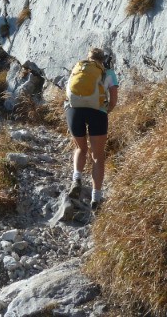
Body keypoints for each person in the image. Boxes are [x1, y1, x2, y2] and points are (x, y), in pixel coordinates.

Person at [65, 47, 119, 211]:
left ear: (88, 58)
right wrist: (106, 110)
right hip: (97, 112)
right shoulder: (108, 73)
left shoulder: (79, 68)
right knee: (98, 156)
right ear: (103, 59)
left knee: (80, 148)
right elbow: (114, 99)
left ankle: (77, 179)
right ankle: (96, 198)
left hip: (74, 111)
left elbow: (68, 91)